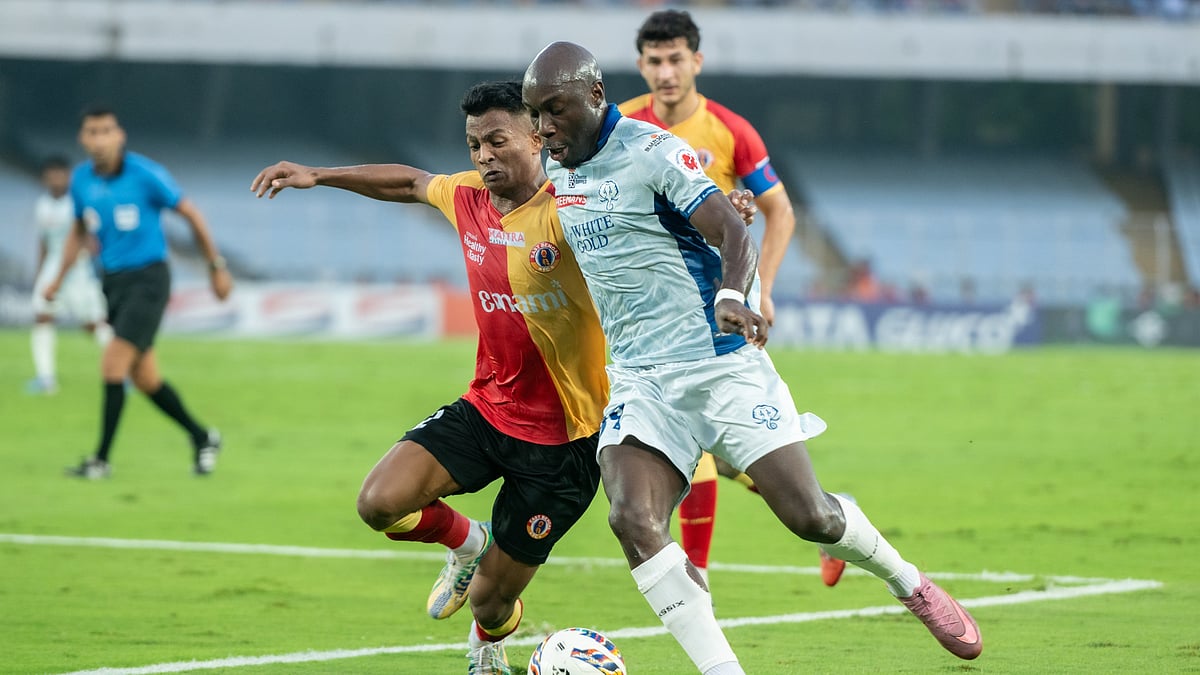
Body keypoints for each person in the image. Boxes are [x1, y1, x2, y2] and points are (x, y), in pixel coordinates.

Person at [523, 42, 982, 674]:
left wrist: (733, 296)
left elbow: (735, 229)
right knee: (632, 518)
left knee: (811, 518)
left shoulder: (653, 152)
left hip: (719, 366)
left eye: (554, 110)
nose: (543, 127)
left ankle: (907, 581)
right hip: (639, 379)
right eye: (534, 115)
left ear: (595, 97)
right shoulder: (558, 167)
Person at [250, 81, 609, 675]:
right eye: (473, 145)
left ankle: (488, 642)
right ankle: (468, 543)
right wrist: (319, 175)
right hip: (487, 409)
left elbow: (653, 234)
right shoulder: (466, 195)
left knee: (494, 604)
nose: (483, 157)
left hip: (565, 443)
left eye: (496, 141)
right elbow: (410, 182)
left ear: (538, 137)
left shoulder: (575, 210)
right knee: (379, 504)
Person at [617, 9, 850, 590]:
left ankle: (697, 575)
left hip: (716, 304)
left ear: (696, 61)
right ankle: (825, 510)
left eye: (676, 59)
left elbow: (781, 210)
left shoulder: (729, 130)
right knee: (719, 449)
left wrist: (762, 287)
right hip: (647, 309)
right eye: (655, 61)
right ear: (640, 65)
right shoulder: (620, 125)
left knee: (687, 434)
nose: (666, 71)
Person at [45, 106, 229, 479]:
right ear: (83, 138)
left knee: (113, 364)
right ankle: (202, 437)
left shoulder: (145, 175)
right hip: (113, 283)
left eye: (106, 131)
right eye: (92, 132)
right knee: (145, 378)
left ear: (119, 136)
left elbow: (191, 213)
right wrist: (57, 278)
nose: (99, 139)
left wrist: (215, 267)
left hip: (149, 280)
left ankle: (100, 461)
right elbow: (78, 231)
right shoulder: (81, 181)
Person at [27, 155, 113, 395]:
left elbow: (94, 240)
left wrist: (86, 253)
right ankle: (46, 379)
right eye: (51, 173)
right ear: (45, 177)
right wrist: (40, 272)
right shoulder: (42, 205)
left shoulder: (78, 204)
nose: (56, 178)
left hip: (77, 270)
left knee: (93, 323)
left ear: (68, 177)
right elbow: (43, 242)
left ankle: (122, 372)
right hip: (52, 268)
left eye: (60, 173)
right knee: (42, 317)